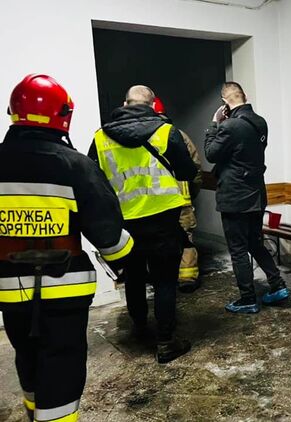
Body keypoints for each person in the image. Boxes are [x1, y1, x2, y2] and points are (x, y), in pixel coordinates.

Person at [1, 74, 133, 422]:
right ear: (63, 115)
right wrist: (127, 259)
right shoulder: (76, 166)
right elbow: (109, 237)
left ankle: (33, 411)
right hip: (65, 291)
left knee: (27, 353)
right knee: (61, 363)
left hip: (9, 289)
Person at [88, 85, 197, 363]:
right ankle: (166, 342)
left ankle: (139, 327)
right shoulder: (166, 132)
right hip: (163, 220)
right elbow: (187, 171)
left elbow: (93, 180)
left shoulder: (100, 137)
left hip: (125, 223)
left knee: (134, 278)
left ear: (125, 104)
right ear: (151, 106)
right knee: (164, 281)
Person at [204, 82, 288, 314]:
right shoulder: (260, 122)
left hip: (235, 197)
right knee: (255, 243)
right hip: (256, 194)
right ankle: (277, 285)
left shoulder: (228, 126)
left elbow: (211, 154)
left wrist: (213, 124)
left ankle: (248, 299)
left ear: (224, 103)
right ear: (245, 96)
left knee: (238, 249)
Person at [153, 97, 203, 293]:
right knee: (186, 238)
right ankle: (187, 277)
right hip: (181, 200)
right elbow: (195, 169)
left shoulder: (139, 139)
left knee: (157, 239)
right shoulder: (179, 135)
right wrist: (192, 193)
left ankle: (161, 276)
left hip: (152, 203)